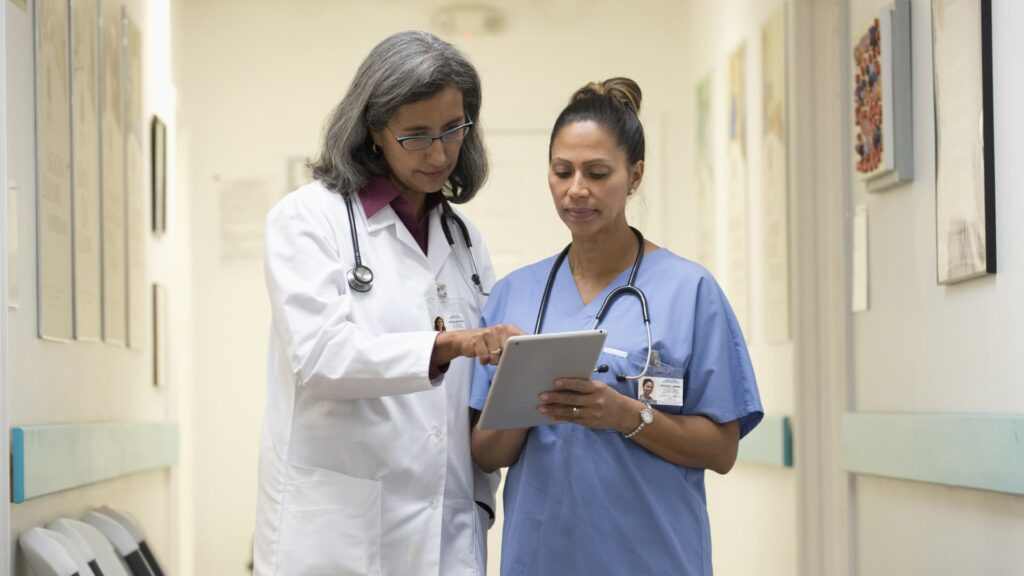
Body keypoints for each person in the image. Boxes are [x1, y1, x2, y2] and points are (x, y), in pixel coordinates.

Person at [469, 78, 763, 575]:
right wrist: (525, 387)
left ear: (635, 175)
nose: (576, 189)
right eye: (562, 171)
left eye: (597, 172)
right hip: (541, 559)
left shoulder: (689, 291)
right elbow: (484, 454)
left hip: (654, 559)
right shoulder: (514, 294)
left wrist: (626, 415)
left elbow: (721, 449)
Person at [255, 30, 522, 576]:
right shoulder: (308, 219)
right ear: (375, 130)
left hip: (447, 528)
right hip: (339, 539)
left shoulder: (464, 239)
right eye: (416, 135)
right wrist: (448, 346)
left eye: (453, 129)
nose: (439, 153)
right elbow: (320, 358)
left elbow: (473, 390)